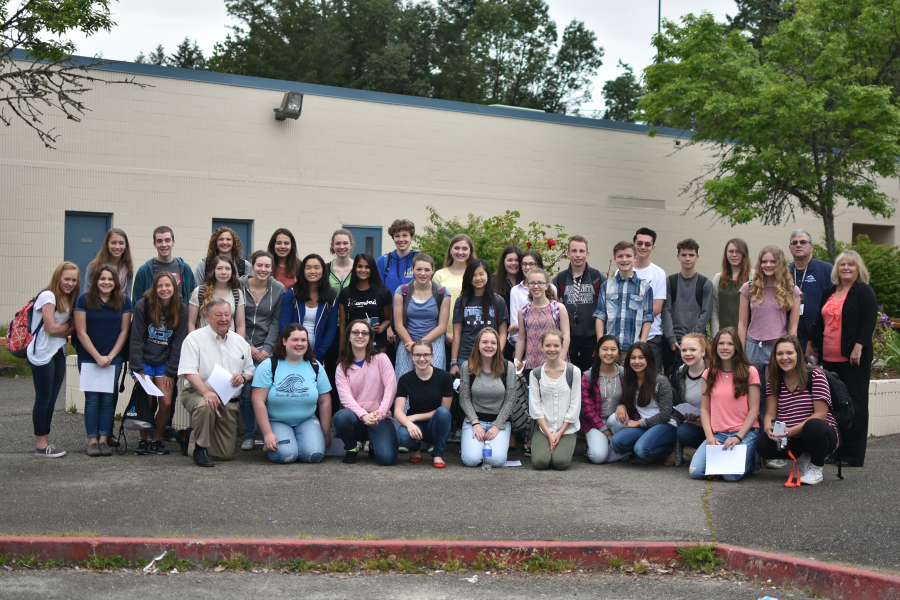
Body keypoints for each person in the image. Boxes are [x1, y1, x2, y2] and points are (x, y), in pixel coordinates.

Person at [810, 250, 877, 468]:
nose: (846, 268)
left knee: (855, 405)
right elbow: (820, 321)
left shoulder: (864, 291)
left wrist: (859, 347)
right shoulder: (830, 290)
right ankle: (837, 450)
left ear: (859, 269)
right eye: (842, 265)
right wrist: (812, 343)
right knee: (836, 405)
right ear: (836, 269)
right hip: (829, 358)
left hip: (853, 360)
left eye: (851, 265)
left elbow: (868, 322)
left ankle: (853, 455)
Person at [739, 244, 801, 462]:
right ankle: (756, 450)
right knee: (755, 399)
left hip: (778, 349)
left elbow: (792, 329)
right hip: (753, 346)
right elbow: (742, 323)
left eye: (772, 261)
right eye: (764, 261)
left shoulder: (792, 290)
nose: (767, 265)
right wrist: (740, 350)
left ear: (780, 263)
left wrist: (791, 352)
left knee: (777, 398)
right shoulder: (749, 288)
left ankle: (777, 451)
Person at [177, 298, 255, 467]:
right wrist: (206, 392)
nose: (223, 318)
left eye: (227, 314)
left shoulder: (240, 342)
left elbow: (250, 371)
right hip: (197, 394)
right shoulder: (194, 339)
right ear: (207, 316)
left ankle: (188, 437)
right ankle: (200, 448)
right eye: (218, 314)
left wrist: (242, 378)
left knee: (224, 454)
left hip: (228, 400)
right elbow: (189, 372)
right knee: (206, 405)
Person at [757, 336, 840, 485]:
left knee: (813, 425)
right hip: (790, 436)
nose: (784, 358)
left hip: (819, 434)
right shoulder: (774, 380)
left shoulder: (815, 375)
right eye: (780, 354)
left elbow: (820, 414)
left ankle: (816, 466)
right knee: (763, 445)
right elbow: (770, 413)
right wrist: (768, 426)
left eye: (789, 353)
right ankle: (801, 457)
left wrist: (790, 431)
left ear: (798, 355)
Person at [251, 324, 333, 464]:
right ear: (284, 341)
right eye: (295, 340)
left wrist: (325, 434)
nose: (299, 344)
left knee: (314, 455)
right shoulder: (268, 366)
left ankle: (301, 440)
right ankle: (280, 442)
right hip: (276, 420)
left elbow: (325, 402)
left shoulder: (315, 366)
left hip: (306, 419)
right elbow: (258, 401)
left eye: (303, 340)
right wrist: (267, 433)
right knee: (286, 455)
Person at [688, 327, 760, 481]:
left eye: (730, 344)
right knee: (696, 471)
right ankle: (725, 461)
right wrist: (709, 436)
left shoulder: (750, 371)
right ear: (715, 346)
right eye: (721, 343)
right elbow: (705, 409)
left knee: (730, 476)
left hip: (744, 432)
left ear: (737, 347)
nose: (725, 348)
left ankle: (752, 461)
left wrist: (738, 437)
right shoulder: (709, 373)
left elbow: (754, 410)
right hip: (718, 433)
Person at [74, 264, 132, 457]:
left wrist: (111, 356)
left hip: (112, 359)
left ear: (116, 282)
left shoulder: (124, 301)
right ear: (95, 281)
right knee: (91, 399)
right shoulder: (84, 300)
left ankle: (103, 440)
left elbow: (124, 331)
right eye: (102, 279)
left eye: (110, 279)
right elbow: (81, 332)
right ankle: (92, 440)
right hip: (89, 358)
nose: (106, 282)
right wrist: (97, 357)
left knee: (108, 400)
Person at [130, 272, 189, 455]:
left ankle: (156, 440)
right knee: (146, 402)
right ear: (154, 288)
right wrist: (137, 369)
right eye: (160, 286)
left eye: (168, 286)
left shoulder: (181, 308)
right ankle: (143, 440)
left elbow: (179, 342)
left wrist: (171, 371)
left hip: (165, 364)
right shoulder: (143, 305)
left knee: (165, 403)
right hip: (145, 362)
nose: (164, 289)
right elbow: (136, 338)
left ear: (174, 287)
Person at [28, 262, 80, 458]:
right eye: (66, 279)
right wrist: (71, 325)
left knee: (51, 399)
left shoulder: (69, 297)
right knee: (43, 399)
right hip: (42, 353)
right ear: (58, 277)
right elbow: (51, 329)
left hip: (58, 352)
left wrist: (66, 328)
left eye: (74, 280)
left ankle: (45, 442)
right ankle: (41, 445)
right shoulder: (48, 296)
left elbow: (62, 331)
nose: (70, 283)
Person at [333, 320, 399, 465]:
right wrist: (364, 415)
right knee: (341, 416)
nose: (360, 336)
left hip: (379, 418)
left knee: (387, 459)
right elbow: (345, 398)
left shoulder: (381, 359)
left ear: (370, 337)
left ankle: (374, 445)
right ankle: (351, 448)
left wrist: (380, 414)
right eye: (355, 332)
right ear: (349, 337)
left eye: (364, 333)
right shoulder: (342, 367)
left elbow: (391, 388)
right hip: (356, 419)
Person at [238, 250, 285, 451]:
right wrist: (248, 346)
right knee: (247, 390)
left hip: (268, 348)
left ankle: (269, 434)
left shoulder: (278, 288)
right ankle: (249, 435)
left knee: (269, 389)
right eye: (259, 265)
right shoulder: (239, 285)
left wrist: (266, 349)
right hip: (242, 345)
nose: (263, 269)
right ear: (252, 266)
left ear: (271, 268)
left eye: (267, 266)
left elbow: (276, 321)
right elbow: (236, 318)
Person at [607, 341, 678, 464]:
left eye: (641, 357)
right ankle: (650, 446)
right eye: (633, 358)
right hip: (645, 426)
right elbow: (629, 404)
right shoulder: (630, 379)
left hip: (665, 425)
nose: (637, 362)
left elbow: (665, 415)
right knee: (616, 443)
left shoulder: (661, 381)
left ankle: (669, 449)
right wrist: (621, 406)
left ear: (648, 359)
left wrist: (639, 423)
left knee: (641, 450)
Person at [459, 328, 516, 468]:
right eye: (484, 342)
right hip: (475, 421)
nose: (489, 346)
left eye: (493, 343)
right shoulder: (467, 366)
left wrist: (497, 425)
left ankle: (485, 446)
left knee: (495, 461)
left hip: (499, 423)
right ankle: (477, 447)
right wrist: (475, 423)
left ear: (498, 346)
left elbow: (510, 400)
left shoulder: (508, 367)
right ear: (478, 344)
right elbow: (464, 399)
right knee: (471, 460)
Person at [394, 339, 454, 467]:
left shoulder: (444, 377)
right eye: (418, 355)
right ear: (412, 356)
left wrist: (414, 417)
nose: (422, 359)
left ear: (432, 356)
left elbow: (444, 410)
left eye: (426, 355)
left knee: (443, 412)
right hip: (415, 425)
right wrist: (409, 424)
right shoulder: (405, 379)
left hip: (436, 423)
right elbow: (398, 411)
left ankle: (437, 454)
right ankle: (415, 449)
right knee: (403, 435)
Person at [552, 236, 607, 373]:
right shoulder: (560, 279)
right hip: (568, 338)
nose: (578, 255)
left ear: (587, 254)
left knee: (591, 375)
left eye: (581, 251)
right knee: (570, 375)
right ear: (568, 254)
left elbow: (606, 308)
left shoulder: (597, 277)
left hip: (592, 337)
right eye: (574, 251)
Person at [529, 329, 581, 470]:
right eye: (548, 345)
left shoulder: (573, 371)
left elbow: (575, 406)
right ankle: (546, 445)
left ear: (563, 346)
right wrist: (550, 435)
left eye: (556, 345)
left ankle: (560, 447)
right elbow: (535, 407)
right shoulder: (536, 373)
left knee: (560, 462)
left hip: (567, 428)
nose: (552, 349)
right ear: (541, 347)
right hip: (544, 427)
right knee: (540, 462)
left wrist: (559, 433)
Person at [392, 253, 450, 378]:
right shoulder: (401, 292)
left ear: (433, 271)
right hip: (408, 341)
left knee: (433, 380)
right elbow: (398, 325)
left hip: (433, 341)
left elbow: (442, 327)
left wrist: (420, 346)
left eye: (427, 270)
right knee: (404, 379)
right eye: (418, 269)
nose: (422, 273)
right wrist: (412, 345)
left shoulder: (442, 293)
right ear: (412, 270)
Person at [593, 241, 654, 360]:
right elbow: (600, 316)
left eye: (628, 256)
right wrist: (601, 344)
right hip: (610, 349)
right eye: (620, 256)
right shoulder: (606, 286)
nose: (624, 259)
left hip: (633, 348)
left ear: (635, 258)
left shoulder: (645, 288)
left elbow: (647, 318)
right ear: (615, 259)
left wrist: (641, 345)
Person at [661, 238, 713, 373]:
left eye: (691, 255)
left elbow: (706, 313)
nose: (687, 258)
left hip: (696, 344)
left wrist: (692, 340)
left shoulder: (705, 283)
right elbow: (665, 310)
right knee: (671, 383)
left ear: (697, 257)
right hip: (672, 344)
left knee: (696, 380)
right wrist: (671, 339)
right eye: (684, 255)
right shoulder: (670, 281)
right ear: (678, 257)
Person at [450, 259, 509, 376]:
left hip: (490, 357)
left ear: (487, 274)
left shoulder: (498, 301)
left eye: (481, 274)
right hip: (466, 356)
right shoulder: (461, 301)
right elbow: (457, 334)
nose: (478, 278)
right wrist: (454, 362)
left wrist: (497, 354)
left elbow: (502, 333)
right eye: (473, 275)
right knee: (466, 393)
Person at [280, 254, 339, 362]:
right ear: (302, 270)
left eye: (317, 267)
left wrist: (319, 355)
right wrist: (291, 349)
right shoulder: (292, 293)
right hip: (292, 351)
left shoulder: (332, 296)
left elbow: (331, 329)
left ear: (323, 270)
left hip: (317, 353)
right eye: (308, 268)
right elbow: (284, 323)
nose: (312, 271)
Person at [514, 268, 570, 376]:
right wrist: (516, 361)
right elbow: (521, 338)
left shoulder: (558, 308)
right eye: (532, 283)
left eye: (540, 282)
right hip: (532, 365)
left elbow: (566, 335)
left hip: (555, 363)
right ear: (528, 286)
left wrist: (561, 357)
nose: (536, 286)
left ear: (547, 285)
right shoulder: (523, 311)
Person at [581, 335, 627, 464]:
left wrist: (623, 406)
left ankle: (614, 447)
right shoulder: (588, 376)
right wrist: (606, 433)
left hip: (618, 422)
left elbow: (631, 402)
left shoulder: (624, 374)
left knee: (616, 419)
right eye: (605, 349)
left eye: (613, 349)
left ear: (618, 352)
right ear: (598, 352)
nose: (609, 353)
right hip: (595, 423)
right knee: (598, 457)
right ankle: (609, 449)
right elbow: (588, 410)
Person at [788, 229, 833, 361]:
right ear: (790, 248)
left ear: (811, 247)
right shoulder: (784, 272)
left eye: (803, 242)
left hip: (817, 339)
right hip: (790, 338)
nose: (798, 245)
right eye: (794, 243)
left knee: (816, 378)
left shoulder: (826, 269)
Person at [432, 234, 475, 362]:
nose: (460, 252)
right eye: (456, 248)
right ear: (450, 250)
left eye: (464, 248)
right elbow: (433, 306)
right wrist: (445, 333)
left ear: (470, 251)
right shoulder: (440, 275)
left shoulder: (475, 275)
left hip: (469, 336)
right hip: (442, 335)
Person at [339, 253, 392, 351]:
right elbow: (343, 326)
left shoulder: (383, 292)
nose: (363, 270)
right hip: (353, 347)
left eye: (367, 267)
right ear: (354, 268)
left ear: (372, 269)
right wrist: (342, 351)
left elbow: (388, 319)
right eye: (360, 266)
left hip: (377, 346)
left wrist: (381, 328)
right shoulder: (345, 293)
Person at [508, 250, 557, 353]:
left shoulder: (550, 287)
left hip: (549, 343)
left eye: (531, 264)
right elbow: (515, 324)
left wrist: (521, 324)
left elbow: (554, 319)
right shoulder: (515, 290)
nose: (527, 267)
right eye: (524, 264)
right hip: (525, 344)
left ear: (539, 265)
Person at [671, 333, 709, 465]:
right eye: (684, 350)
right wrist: (691, 418)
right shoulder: (680, 373)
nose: (688, 353)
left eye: (693, 350)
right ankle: (705, 450)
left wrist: (703, 421)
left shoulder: (714, 371)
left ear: (703, 352)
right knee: (683, 433)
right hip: (696, 423)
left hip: (717, 423)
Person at [132, 226, 196, 304]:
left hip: (179, 316)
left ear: (173, 242)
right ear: (154, 244)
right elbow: (136, 303)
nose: (164, 244)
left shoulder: (185, 269)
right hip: (152, 316)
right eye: (159, 241)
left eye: (167, 240)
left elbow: (193, 300)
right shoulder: (144, 271)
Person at [633, 228, 667, 370]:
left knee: (654, 381)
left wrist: (630, 318)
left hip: (652, 337)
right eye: (639, 243)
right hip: (627, 336)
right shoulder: (622, 269)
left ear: (653, 248)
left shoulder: (658, 273)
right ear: (634, 244)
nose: (642, 247)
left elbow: (657, 308)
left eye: (647, 244)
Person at [188, 255, 246, 336]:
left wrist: (239, 346)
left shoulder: (237, 294)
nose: (223, 272)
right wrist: (194, 343)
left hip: (228, 343)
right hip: (204, 342)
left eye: (227, 269)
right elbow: (191, 323)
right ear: (213, 271)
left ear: (232, 271)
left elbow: (240, 326)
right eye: (219, 268)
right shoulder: (200, 291)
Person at [711, 238, 752, 337]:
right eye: (731, 251)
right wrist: (716, 336)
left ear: (744, 254)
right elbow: (714, 310)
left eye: (738, 251)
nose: (734, 255)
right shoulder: (718, 278)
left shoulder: (753, 277)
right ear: (726, 254)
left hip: (746, 338)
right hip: (723, 337)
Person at [493, 245, 524, 360]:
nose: (513, 263)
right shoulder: (493, 282)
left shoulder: (528, 282)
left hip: (524, 334)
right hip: (500, 334)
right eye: (509, 260)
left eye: (517, 260)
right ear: (503, 262)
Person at [376, 218, 419, 300]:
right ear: (393, 238)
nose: (401, 239)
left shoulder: (419, 260)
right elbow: (378, 291)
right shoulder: (383, 261)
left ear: (411, 237)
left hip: (413, 311)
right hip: (389, 311)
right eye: (397, 236)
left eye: (405, 235)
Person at [84, 228, 134, 298]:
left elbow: (127, 296)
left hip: (119, 307)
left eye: (121, 243)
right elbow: (87, 295)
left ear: (126, 245)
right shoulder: (93, 267)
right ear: (107, 244)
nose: (117, 247)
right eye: (113, 243)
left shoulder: (128, 269)